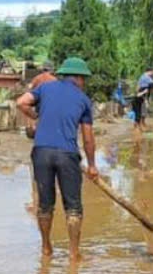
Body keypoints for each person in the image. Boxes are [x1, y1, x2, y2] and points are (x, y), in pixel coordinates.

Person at [16, 57, 99, 261]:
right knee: (73, 207)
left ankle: (46, 248)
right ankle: (73, 253)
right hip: (67, 154)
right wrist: (92, 165)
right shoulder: (83, 100)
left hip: (41, 152)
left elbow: (21, 102)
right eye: (84, 79)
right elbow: (88, 138)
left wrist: (36, 117)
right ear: (79, 78)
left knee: (45, 205)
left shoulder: (45, 89)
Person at [133, 66, 153, 132]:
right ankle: (138, 126)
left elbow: (138, 87)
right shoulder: (147, 79)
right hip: (138, 99)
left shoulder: (143, 78)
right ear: (150, 71)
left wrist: (146, 101)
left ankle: (139, 125)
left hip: (140, 98)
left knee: (141, 112)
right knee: (139, 112)